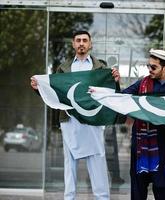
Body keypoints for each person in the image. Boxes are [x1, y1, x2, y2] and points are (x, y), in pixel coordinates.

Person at [30, 30, 120, 200]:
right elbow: (54, 92)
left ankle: (102, 198)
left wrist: (115, 81)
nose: (81, 43)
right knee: (69, 162)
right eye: (78, 40)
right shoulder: (63, 68)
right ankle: (69, 198)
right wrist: (38, 88)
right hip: (70, 119)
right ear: (73, 44)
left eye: (85, 40)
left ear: (90, 44)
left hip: (93, 119)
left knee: (97, 160)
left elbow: (109, 94)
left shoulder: (101, 67)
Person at [122, 49, 165, 200]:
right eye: (148, 66)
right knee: (138, 190)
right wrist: (111, 85)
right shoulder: (142, 84)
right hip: (141, 147)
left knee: (164, 192)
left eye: (154, 67)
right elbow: (122, 97)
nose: (149, 70)